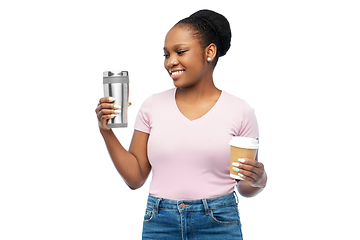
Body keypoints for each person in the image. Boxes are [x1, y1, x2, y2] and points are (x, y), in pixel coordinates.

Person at [95, 9, 267, 240]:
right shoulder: (152, 106)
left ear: (210, 52)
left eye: (181, 52)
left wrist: (259, 179)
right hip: (160, 222)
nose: (170, 62)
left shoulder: (240, 111)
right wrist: (106, 131)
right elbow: (135, 178)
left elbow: (244, 186)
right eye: (166, 54)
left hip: (218, 222)